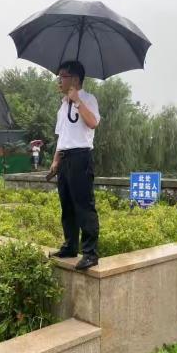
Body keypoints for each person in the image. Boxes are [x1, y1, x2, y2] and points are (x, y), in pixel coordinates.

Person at [49, 60, 101, 270]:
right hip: (65, 158)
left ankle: (90, 253)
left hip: (81, 157)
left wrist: (78, 101)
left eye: (63, 76)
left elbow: (93, 123)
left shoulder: (88, 98)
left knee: (84, 206)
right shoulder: (62, 105)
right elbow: (61, 136)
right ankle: (70, 245)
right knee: (67, 205)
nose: (59, 80)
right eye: (59, 76)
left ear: (75, 79)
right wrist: (55, 161)